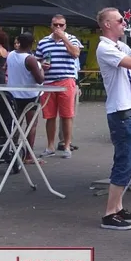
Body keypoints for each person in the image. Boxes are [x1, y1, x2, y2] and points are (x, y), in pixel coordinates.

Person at [95, 8, 131, 231]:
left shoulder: (118, 46)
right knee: (124, 162)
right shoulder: (105, 48)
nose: (124, 24)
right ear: (106, 24)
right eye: (119, 21)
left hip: (129, 108)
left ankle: (118, 207)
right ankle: (109, 213)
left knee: (127, 161)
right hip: (121, 110)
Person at [35, 14, 81, 159]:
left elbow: (75, 54)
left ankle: (67, 145)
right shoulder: (43, 42)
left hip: (66, 80)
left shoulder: (72, 39)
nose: (58, 27)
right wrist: (42, 65)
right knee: (49, 116)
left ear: (65, 26)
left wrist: (64, 38)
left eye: (61, 25)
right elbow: (37, 62)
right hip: (48, 82)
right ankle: (50, 146)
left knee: (67, 115)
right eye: (56, 25)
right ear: (51, 26)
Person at [6, 33, 45, 164]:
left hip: (14, 94)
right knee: (31, 125)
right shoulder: (30, 59)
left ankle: (11, 151)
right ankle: (29, 155)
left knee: (15, 124)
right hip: (30, 96)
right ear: (31, 43)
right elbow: (39, 80)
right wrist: (42, 70)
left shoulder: (10, 55)